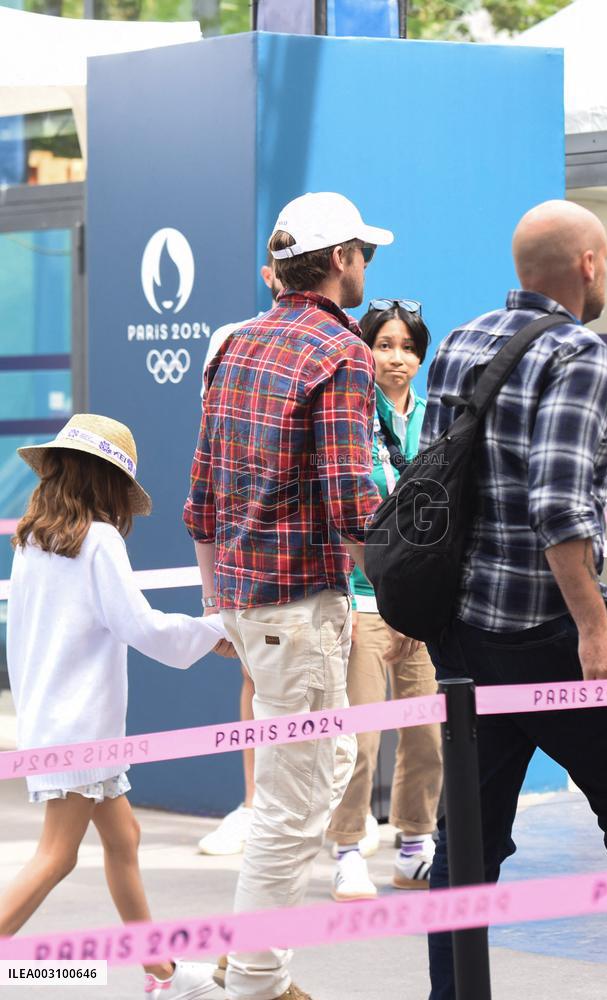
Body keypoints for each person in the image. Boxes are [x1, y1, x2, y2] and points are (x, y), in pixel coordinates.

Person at [421, 200, 607, 1000]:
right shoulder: (577, 351)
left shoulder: (460, 342)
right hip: (550, 632)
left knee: (469, 835)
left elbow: (432, 490)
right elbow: (560, 504)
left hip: (464, 639)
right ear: (589, 264)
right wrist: (595, 632)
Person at [184, 192, 409, 1000]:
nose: (367, 269)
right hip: (301, 607)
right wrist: (400, 589)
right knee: (294, 800)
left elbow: (201, 496)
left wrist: (218, 605)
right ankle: (254, 978)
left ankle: (253, 958)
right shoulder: (338, 352)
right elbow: (352, 498)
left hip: (248, 604)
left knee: (313, 772)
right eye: (364, 255)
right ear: (340, 258)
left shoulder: (234, 344)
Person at [1, 413, 232, 1000]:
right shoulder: (98, 540)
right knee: (55, 857)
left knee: (123, 837)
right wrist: (214, 629)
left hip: (57, 719)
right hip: (82, 728)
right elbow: (141, 627)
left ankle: (162, 974)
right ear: (109, 482)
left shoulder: (33, 537)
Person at [327, 298, 443, 901]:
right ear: (365, 348)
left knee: (426, 735)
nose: (397, 358)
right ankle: (347, 849)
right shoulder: (350, 417)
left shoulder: (436, 417)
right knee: (360, 739)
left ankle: (415, 846)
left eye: (407, 346)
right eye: (384, 344)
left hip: (423, 605)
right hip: (363, 600)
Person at [196, 254, 284, 858]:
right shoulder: (230, 341)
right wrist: (213, 594)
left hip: (321, 560)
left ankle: (345, 833)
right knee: (255, 674)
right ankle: (256, 807)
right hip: (247, 548)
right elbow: (213, 446)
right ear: (267, 272)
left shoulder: (342, 342)